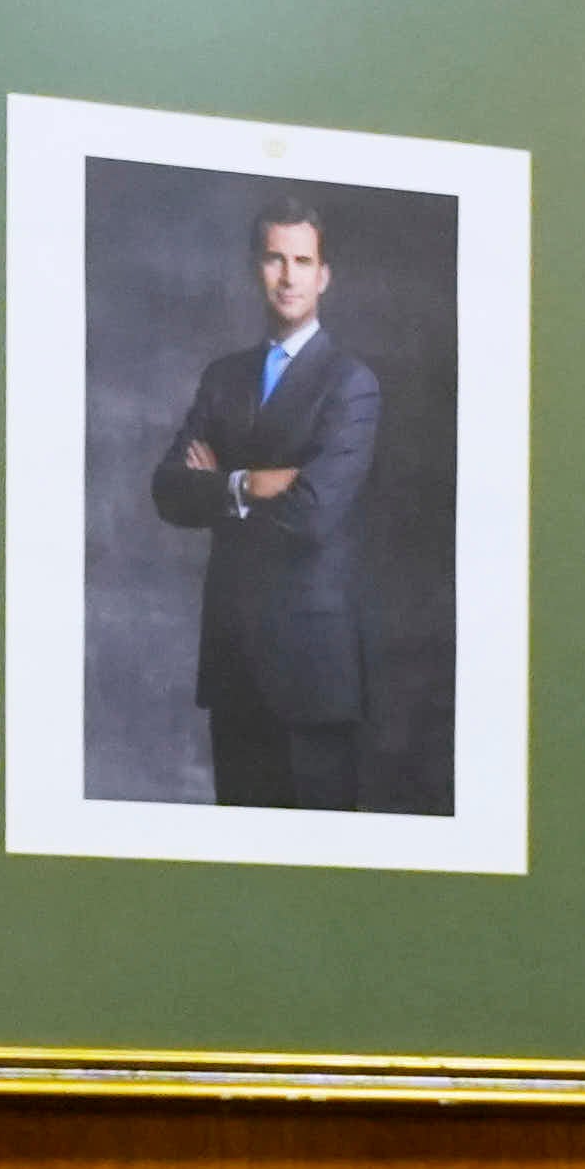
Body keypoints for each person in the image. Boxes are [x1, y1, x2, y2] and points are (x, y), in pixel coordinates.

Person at [145, 196, 380, 812]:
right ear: (257, 267)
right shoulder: (224, 377)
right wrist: (250, 484)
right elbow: (169, 489)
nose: (289, 275)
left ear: (323, 274)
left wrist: (220, 486)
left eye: (303, 260)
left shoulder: (350, 384)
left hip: (312, 672)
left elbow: (314, 512)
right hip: (234, 662)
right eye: (275, 258)